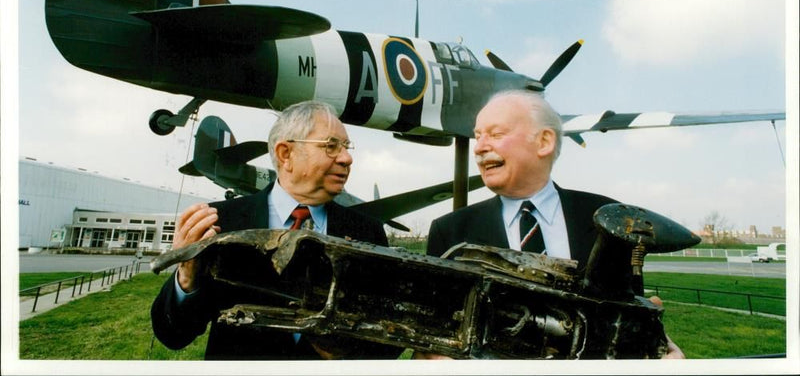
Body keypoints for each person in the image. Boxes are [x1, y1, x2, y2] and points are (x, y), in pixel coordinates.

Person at [422, 90, 685, 359]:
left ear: (544, 141)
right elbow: (431, 336)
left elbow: (630, 324)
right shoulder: (450, 232)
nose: (479, 147)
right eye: (478, 136)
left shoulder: (611, 221)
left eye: (496, 134)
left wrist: (660, 352)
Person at [151, 101, 401, 360]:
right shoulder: (221, 222)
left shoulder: (367, 231)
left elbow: (390, 335)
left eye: (346, 147)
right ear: (285, 154)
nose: (347, 158)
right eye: (331, 146)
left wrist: (347, 350)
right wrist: (186, 277)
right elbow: (174, 335)